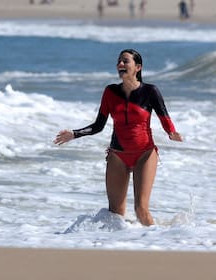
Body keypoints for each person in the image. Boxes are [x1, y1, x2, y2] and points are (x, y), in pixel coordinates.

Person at [54, 49, 182, 226]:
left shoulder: (150, 91)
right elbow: (98, 125)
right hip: (118, 155)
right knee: (115, 214)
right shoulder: (110, 92)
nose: (120, 64)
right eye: (119, 62)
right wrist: (74, 134)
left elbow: (164, 116)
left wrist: (171, 132)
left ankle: (157, 243)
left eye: (125, 61)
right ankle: (123, 246)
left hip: (144, 153)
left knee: (141, 210)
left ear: (138, 67)